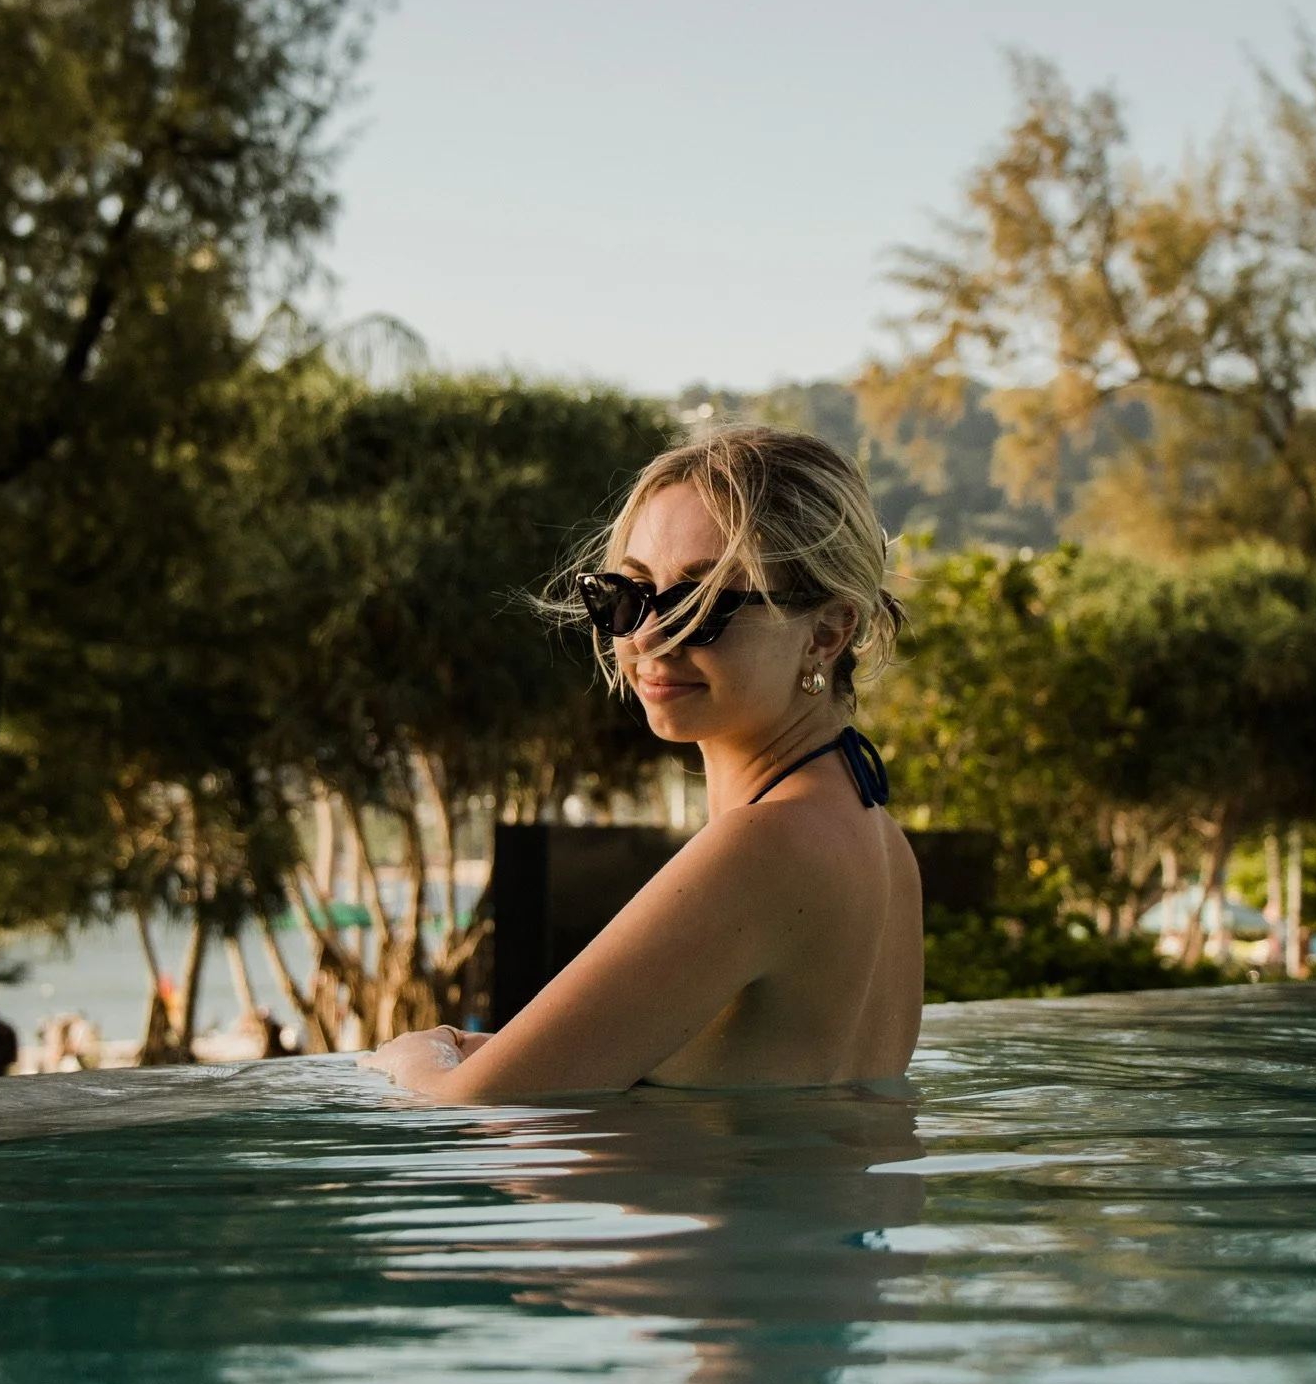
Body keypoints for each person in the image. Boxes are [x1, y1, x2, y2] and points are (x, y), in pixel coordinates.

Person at [362, 426, 922, 1100]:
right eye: (625, 595)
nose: (648, 634)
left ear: (826, 632)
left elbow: (470, 1107)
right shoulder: (874, 836)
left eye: (701, 600)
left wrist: (413, 1053)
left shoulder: (764, 844)